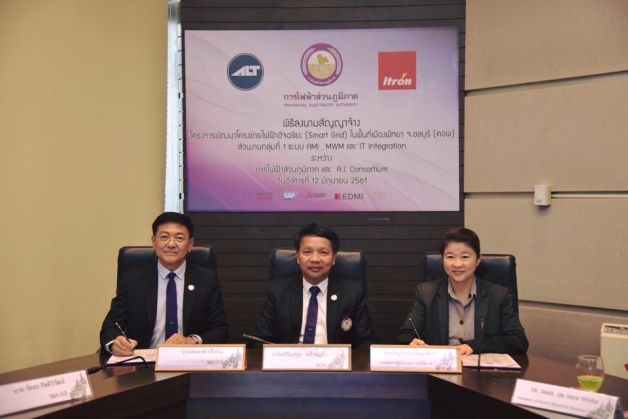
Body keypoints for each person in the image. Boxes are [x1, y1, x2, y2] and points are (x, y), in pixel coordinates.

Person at [100, 212, 228, 355]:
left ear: (190, 244)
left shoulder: (206, 280)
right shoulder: (132, 280)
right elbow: (111, 326)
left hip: (189, 360)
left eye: (179, 238)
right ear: (154, 242)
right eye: (164, 237)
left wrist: (192, 341)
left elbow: (220, 331)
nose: (171, 244)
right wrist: (115, 343)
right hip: (143, 362)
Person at [397, 227, 528, 355]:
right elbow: (405, 334)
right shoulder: (426, 293)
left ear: (477, 260)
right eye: (450, 257)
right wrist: (411, 341)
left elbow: (518, 341)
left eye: (465, 257)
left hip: (480, 368)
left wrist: (475, 346)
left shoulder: (498, 295)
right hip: (440, 368)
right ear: (442, 260)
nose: (457, 264)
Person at [252, 223, 378, 349]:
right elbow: (259, 339)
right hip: (291, 359)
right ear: (298, 257)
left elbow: (366, 341)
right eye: (307, 252)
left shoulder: (352, 293)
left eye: (323, 252)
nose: (315, 259)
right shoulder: (278, 292)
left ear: (334, 258)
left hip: (334, 360)